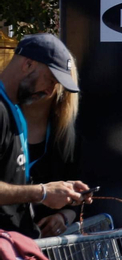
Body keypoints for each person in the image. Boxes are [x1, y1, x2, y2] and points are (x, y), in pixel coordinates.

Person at [0, 36, 90, 237]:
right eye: (50, 79)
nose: (51, 90)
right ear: (28, 64)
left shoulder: (14, 111)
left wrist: (61, 192)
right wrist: (42, 193)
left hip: (15, 250)